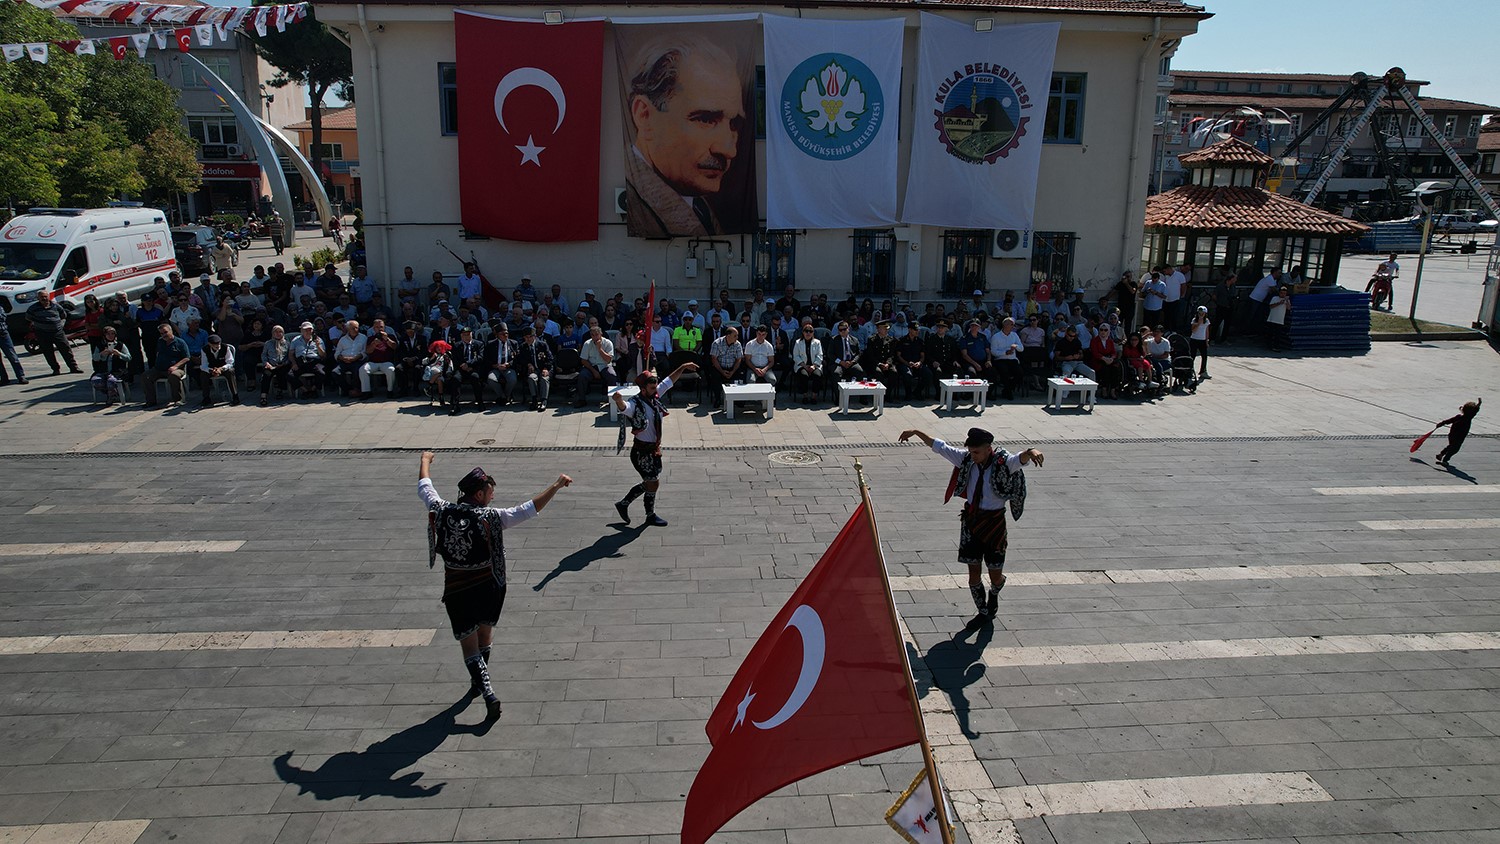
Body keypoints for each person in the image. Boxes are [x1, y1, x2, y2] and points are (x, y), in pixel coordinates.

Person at [417, 451, 572, 721]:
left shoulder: (441, 509)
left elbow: (425, 487)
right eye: (490, 492)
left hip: (457, 589)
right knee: (484, 637)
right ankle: (482, 685)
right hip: (489, 587)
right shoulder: (492, 517)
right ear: (479, 495)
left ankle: (485, 689)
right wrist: (556, 486)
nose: (492, 497)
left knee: (468, 644)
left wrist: (425, 461)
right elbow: (528, 510)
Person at [898, 427, 1043, 620]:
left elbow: (1020, 459)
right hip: (971, 522)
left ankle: (995, 590)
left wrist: (1031, 451)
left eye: (976, 452)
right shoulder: (966, 459)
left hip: (994, 524)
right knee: (973, 572)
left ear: (988, 448)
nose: (973, 456)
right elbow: (941, 447)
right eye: (971, 451)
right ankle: (983, 611)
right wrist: (916, 432)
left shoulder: (1003, 462)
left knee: (995, 574)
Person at [623, 36, 745, 237]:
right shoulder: (636, 204)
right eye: (705, 119)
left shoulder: (694, 198)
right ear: (644, 116)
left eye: (733, 124)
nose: (729, 150)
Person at [612, 361, 700, 527]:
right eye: (652, 389)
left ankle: (624, 504)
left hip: (654, 449)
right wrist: (618, 401)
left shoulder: (654, 396)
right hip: (641, 452)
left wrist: (683, 366)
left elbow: (669, 381)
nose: (656, 391)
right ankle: (649, 514)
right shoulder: (636, 404)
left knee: (651, 482)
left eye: (655, 388)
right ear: (643, 389)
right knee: (653, 482)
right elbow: (625, 408)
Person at [26, 292, 82, 376]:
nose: (44, 299)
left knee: (66, 350)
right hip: (42, 333)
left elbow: (63, 315)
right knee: (48, 352)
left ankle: (73, 367)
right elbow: (28, 317)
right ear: (38, 298)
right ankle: (55, 369)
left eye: (45, 297)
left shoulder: (56, 306)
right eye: (41, 297)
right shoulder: (33, 308)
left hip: (57, 332)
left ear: (48, 297)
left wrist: (60, 324)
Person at [143, 323, 191, 407]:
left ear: (171, 331)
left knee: (174, 376)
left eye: (165, 332)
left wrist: (175, 366)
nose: (164, 335)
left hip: (176, 368)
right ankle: (151, 401)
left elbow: (187, 358)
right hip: (159, 369)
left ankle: (178, 399)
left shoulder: (180, 342)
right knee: (146, 376)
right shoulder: (160, 341)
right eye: (161, 333)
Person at [576, 325, 616, 406]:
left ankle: (612, 401)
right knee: (582, 376)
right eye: (593, 335)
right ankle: (582, 399)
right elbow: (583, 360)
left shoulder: (608, 343)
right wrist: (593, 371)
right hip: (591, 366)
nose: (595, 337)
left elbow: (608, 360)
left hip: (605, 365)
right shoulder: (587, 343)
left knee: (612, 375)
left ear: (601, 334)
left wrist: (600, 349)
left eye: (597, 335)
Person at [90, 326, 131, 405]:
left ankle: (111, 397)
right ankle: (112, 393)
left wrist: (119, 354)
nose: (110, 336)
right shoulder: (100, 345)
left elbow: (128, 357)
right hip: (103, 370)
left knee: (111, 381)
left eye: (112, 334)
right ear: (104, 335)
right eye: (108, 334)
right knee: (95, 381)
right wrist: (101, 354)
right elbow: (94, 358)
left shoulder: (120, 345)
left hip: (117, 371)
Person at [1434, 399, 1482, 466]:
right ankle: (1445, 460)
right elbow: (1475, 410)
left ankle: (1441, 454)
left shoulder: (1458, 417)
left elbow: (1449, 421)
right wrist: (1479, 404)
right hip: (1459, 437)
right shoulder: (1468, 418)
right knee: (1455, 449)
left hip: (1452, 435)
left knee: (1451, 446)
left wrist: (1441, 423)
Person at [706, 325, 744, 407]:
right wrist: (722, 371)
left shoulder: (738, 344)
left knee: (739, 375)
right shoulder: (717, 343)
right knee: (715, 376)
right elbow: (714, 359)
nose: (737, 337)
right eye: (735, 336)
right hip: (720, 367)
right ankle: (718, 398)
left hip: (732, 367)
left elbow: (738, 359)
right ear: (728, 336)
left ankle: (737, 399)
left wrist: (733, 371)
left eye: (737, 335)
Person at [517, 327, 554, 411]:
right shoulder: (523, 347)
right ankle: (534, 399)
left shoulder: (542, 345)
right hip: (533, 370)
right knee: (531, 378)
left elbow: (550, 358)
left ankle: (544, 400)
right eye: (526, 337)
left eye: (530, 336)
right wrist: (528, 364)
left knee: (544, 378)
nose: (528, 339)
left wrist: (545, 368)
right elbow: (520, 359)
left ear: (535, 336)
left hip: (544, 368)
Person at [198, 334, 239, 407]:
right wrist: (211, 370)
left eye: (219, 344)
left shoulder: (225, 348)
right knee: (203, 374)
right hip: (212, 369)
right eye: (215, 344)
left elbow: (230, 362)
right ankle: (206, 398)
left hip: (223, 368)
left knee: (231, 371)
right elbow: (203, 365)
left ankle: (235, 396)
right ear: (210, 344)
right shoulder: (204, 349)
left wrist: (221, 369)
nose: (218, 346)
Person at [289, 321, 327, 398]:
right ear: (301, 331)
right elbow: (290, 354)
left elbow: (323, 355)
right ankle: (304, 390)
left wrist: (318, 345)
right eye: (305, 330)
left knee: (322, 373)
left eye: (310, 330)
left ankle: (313, 389)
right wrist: (294, 363)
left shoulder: (318, 340)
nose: (308, 332)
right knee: (290, 375)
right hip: (301, 361)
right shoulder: (295, 340)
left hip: (314, 361)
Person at [896, 321, 931, 401]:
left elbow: (922, 356)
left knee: (928, 374)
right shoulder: (902, 340)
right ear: (909, 330)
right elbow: (898, 355)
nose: (917, 331)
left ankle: (917, 392)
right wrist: (907, 363)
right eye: (915, 330)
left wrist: (919, 362)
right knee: (907, 374)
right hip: (905, 364)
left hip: (917, 365)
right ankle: (908, 394)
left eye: (918, 330)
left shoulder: (920, 341)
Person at [485, 323, 518, 406]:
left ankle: (507, 395)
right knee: (491, 379)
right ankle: (502, 395)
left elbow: (517, 358)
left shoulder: (513, 343)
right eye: (502, 334)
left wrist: (508, 365)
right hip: (496, 367)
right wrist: (495, 365)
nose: (505, 335)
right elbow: (486, 358)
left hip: (508, 367)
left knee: (512, 379)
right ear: (497, 335)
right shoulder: (490, 344)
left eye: (506, 333)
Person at [258, 325, 291, 406]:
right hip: (271, 365)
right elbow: (264, 355)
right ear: (272, 333)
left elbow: (289, 356)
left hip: (282, 365)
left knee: (282, 372)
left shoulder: (287, 343)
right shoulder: (268, 343)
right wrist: (266, 363)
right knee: (266, 374)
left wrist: (284, 363)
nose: (278, 333)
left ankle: (280, 390)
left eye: (280, 332)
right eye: (276, 332)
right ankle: (263, 395)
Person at [790, 321, 822, 403]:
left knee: (817, 375)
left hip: (815, 365)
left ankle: (814, 396)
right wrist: (804, 366)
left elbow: (820, 355)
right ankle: (805, 395)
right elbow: (796, 356)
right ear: (803, 332)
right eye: (806, 331)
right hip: (802, 365)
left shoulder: (817, 342)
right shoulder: (798, 342)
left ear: (813, 333)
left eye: (810, 331)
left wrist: (814, 366)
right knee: (804, 375)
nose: (808, 333)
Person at [1266, 285, 1291, 351]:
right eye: (1282, 293)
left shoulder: (1286, 300)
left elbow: (1288, 308)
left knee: (1278, 335)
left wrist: (1287, 301)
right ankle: (1269, 345)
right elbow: (1271, 306)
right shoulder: (1275, 298)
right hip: (1272, 319)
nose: (1283, 295)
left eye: (1284, 293)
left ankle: (1276, 346)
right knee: (1270, 333)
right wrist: (1279, 303)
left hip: (1280, 320)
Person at [1189, 305, 1211, 379]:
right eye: (1199, 313)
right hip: (1194, 340)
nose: (1201, 315)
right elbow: (1193, 330)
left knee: (1204, 356)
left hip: (1202, 340)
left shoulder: (1207, 321)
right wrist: (1198, 323)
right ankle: (1190, 370)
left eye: (1202, 313)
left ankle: (1203, 371)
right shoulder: (1194, 320)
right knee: (1192, 356)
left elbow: (1207, 331)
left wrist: (1207, 340)